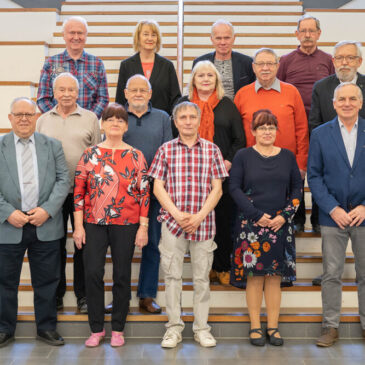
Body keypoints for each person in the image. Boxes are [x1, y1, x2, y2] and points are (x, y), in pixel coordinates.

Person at [149, 101, 228, 348]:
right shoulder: (165, 150)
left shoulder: (212, 150)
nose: (187, 121)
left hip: (203, 225)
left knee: (202, 278)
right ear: (175, 121)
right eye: (182, 117)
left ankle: (201, 328)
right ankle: (173, 328)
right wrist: (177, 214)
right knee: (172, 277)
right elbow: (157, 186)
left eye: (192, 117)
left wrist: (198, 217)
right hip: (172, 225)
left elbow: (217, 189)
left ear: (199, 119)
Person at [73, 103, 150, 348]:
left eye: (120, 120)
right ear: (102, 124)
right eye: (110, 119)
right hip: (93, 222)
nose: (115, 123)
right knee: (93, 272)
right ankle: (96, 328)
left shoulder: (136, 156)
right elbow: (78, 192)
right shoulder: (89, 154)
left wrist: (143, 227)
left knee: (121, 275)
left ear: (126, 126)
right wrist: (78, 226)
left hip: (126, 223)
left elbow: (144, 194)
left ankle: (118, 328)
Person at [0, 97, 70, 347]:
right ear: (10, 118)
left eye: (29, 114)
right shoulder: (0, 145)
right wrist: (8, 212)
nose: (24, 119)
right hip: (8, 226)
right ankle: (4, 328)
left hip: (45, 224)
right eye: (18, 114)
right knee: (5, 281)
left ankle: (47, 327)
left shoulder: (52, 145)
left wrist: (48, 210)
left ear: (36, 117)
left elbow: (64, 180)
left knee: (47, 281)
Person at [229, 109, 302, 347]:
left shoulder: (288, 157)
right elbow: (234, 189)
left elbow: (296, 190)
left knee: (274, 278)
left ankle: (273, 326)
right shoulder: (243, 156)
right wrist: (256, 216)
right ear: (253, 131)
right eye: (262, 127)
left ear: (276, 130)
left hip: (280, 226)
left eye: (271, 127)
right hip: (251, 226)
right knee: (254, 278)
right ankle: (254, 326)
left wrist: (284, 216)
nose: (267, 132)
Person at [36, 72, 101, 313]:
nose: (66, 94)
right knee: (54, 245)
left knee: (83, 245)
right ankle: (57, 294)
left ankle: (83, 296)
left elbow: (96, 155)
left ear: (78, 92)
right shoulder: (42, 120)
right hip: (52, 194)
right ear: (54, 93)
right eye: (61, 89)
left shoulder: (91, 118)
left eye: (71, 90)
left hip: (83, 193)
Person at [176, 60, 245, 285]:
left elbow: (239, 139)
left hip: (221, 176)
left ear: (217, 80)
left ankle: (222, 266)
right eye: (200, 75)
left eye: (210, 75)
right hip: (189, 177)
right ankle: (202, 269)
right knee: (196, 222)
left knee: (223, 222)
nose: (205, 79)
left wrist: (226, 162)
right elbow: (173, 138)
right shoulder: (183, 104)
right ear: (193, 80)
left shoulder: (227, 105)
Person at [308, 83, 365, 347]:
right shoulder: (320, 134)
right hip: (333, 217)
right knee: (332, 274)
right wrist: (333, 208)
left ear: (360, 102)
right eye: (342, 99)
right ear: (333, 103)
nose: (347, 103)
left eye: (353, 98)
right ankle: (330, 327)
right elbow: (315, 176)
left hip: (364, 214)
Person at [309, 40, 365, 286]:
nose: (344, 62)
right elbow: (315, 124)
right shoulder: (322, 88)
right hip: (332, 184)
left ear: (359, 62)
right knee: (331, 272)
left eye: (350, 57)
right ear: (332, 61)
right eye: (339, 57)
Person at [277, 14, 335, 233]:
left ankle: (320, 219)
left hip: (322, 125)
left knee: (322, 171)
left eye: (312, 31)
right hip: (295, 127)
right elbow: (280, 88)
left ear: (319, 34)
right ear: (297, 34)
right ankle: (298, 217)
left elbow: (333, 88)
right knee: (296, 172)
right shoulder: (286, 60)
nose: (308, 35)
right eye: (303, 31)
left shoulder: (328, 60)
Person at [234, 48, 309, 187]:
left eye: (270, 63)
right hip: (251, 167)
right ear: (253, 67)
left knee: (291, 207)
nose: (265, 68)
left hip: (288, 166)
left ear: (278, 66)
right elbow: (235, 135)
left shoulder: (292, 92)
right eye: (260, 64)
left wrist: (301, 164)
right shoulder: (241, 95)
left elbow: (302, 130)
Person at [37, 16, 109, 119]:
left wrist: (87, 119)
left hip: (86, 126)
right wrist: (59, 118)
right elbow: (43, 99)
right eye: (72, 33)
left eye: (80, 33)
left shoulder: (97, 64)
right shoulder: (51, 63)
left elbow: (103, 99)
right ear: (64, 35)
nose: (76, 37)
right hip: (57, 126)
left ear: (86, 36)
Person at [115, 19, 181, 115]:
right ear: (138, 37)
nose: (150, 38)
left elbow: (176, 99)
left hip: (160, 123)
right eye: (146, 34)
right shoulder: (126, 65)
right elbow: (120, 100)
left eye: (153, 35)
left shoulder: (167, 66)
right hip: (133, 122)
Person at [193, 19, 255, 100]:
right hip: (208, 110)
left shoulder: (247, 62)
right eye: (218, 38)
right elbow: (193, 91)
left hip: (238, 110)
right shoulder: (199, 63)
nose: (223, 42)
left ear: (234, 38)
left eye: (227, 38)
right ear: (212, 39)